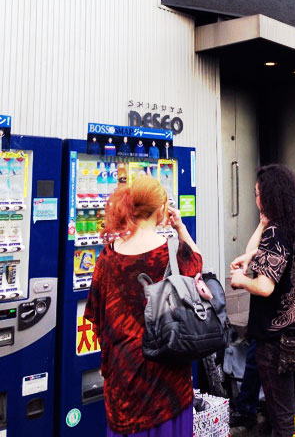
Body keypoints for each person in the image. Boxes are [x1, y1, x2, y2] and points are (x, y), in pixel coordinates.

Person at [85, 175, 202, 437]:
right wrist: (181, 228)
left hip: (124, 380)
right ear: (161, 209)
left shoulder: (107, 256)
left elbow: (95, 316)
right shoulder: (172, 251)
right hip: (169, 381)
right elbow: (198, 264)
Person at [230, 164, 295, 437]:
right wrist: (261, 227)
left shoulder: (275, 234)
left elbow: (264, 287)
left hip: (274, 340)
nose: (256, 199)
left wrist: (240, 280)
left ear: (269, 196)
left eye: (257, 194)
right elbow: (261, 253)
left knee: (282, 417)